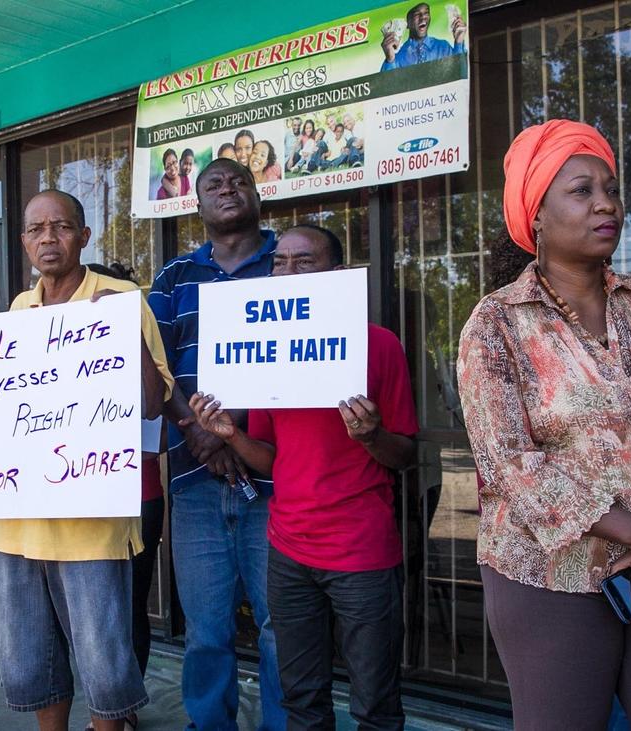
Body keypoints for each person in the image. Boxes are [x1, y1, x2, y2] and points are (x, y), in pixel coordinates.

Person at [457, 119, 631, 728]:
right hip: (551, 583)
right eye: (581, 191)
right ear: (535, 215)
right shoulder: (497, 323)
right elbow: (510, 463)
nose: (605, 203)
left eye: (609, 188)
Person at [189, 224, 418, 730]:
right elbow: (273, 461)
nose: (288, 270)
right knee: (301, 700)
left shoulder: (377, 346)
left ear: (336, 274)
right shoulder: (270, 353)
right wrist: (230, 434)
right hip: (288, 550)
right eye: (280, 262)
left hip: (361, 551)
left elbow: (403, 455)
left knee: (376, 705)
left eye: (305, 261)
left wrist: (370, 436)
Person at [0, 190, 173, 731]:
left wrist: (121, 333)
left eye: (62, 227)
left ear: (84, 236)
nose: (49, 238)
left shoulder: (120, 297)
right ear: (24, 242)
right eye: (36, 230)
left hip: (91, 522)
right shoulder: (19, 310)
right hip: (18, 523)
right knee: (32, 660)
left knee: (104, 664)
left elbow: (154, 401)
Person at [148, 158, 284, 730]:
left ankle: (287, 722)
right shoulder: (174, 278)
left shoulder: (289, 264)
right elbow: (153, 365)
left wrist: (241, 436)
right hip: (194, 480)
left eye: (239, 182)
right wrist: (196, 430)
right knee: (206, 630)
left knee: (283, 625)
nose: (228, 190)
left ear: (259, 194)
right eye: (214, 185)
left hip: (278, 481)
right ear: (197, 206)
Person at [86, 262, 166, 695]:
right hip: (75, 498)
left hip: (137, 494)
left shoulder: (144, 348)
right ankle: (103, 701)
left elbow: (160, 420)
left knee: (129, 606)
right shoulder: (53, 351)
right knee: (91, 611)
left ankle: (124, 707)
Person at [381, 3, 466, 71]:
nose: (423, 18)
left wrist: (459, 43)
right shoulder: (398, 57)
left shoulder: (443, 47)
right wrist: (390, 59)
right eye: (417, 14)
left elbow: (460, 74)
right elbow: (387, 86)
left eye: (426, 13)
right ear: (407, 23)